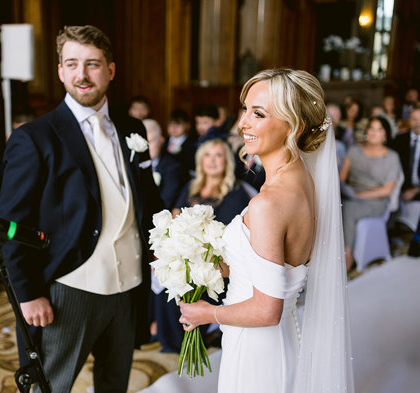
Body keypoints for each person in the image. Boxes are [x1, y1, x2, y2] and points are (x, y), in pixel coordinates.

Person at [0, 25, 162, 393]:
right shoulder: (34, 137)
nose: (81, 75)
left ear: (110, 70)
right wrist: (27, 292)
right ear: (60, 71)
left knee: (114, 382)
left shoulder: (132, 128)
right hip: (69, 287)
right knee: (51, 386)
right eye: (71, 64)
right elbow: (11, 224)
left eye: (92, 64)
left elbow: (148, 201)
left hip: (128, 286)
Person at [178, 68, 354, 393]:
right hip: (282, 338)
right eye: (245, 109)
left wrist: (207, 313)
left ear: (294, 125)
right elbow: (271, 264)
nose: (243, 122)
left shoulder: (268, 203)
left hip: (255, 350)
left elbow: (266, 309)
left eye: (258, 113)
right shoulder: (303, 181)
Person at [153, 138, 249, 353]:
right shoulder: (190, 186)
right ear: (200, 160)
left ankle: (192, 341)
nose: (212, 161)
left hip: (214, 266)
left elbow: (226, 234)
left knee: (185, 285)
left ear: (227, 162)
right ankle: (169, 340)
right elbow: (175, 217)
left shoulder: (234, 193)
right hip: (186, 257)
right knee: (166, 281)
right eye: (207, 155)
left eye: (218, 155)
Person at [340, 116, 401, 271]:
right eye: (371, 128)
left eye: (379, 129)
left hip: (376, 201)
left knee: (348, 208)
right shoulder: (354, 151)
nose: (374, 133)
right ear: (367, 131)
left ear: (385, 134)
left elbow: (387, 189)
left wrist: (359, 196)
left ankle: (347, 254)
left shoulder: (392, 157)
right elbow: (341, 178)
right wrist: (349, 191)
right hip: (351, 194)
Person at [143, 118, 184, 209]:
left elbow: (166, 202)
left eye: (150, 141)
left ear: (161, 140)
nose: (146, 147)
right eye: (143, 142)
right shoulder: (131, 165)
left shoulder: (173, 167)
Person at [163, 108, 197, 179]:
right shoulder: (163, 142)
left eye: (178, 124)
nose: (173, 128)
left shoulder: (192, 144)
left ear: (187, 125)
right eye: (170, 124)